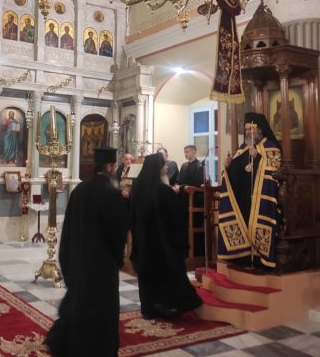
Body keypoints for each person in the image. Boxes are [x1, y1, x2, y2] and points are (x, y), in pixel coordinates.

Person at [45, 147, 128, 357]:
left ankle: (73, 344)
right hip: (102, 264)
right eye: (114, 165)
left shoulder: (79, 190)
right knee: (101, 307)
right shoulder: (112, 194)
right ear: (110, 166)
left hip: (78, 260)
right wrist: (117, 260)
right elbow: (117, 233)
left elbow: (68, 228)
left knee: (79, 302)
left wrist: (66, 258)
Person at [130, 153, 202, 319]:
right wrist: (180, 195)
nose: (166, 168)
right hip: (162, 244)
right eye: (163, 166)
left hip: (143, 242)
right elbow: (177, 216)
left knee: (147, 277)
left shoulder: (137, 188)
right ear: (157, 168)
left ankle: (148, 309)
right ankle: (167, 306)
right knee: (164, 275)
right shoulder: (163, 191)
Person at [218, 112, 282, 269]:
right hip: (244, 199)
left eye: (250, 129)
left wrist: (258, 158)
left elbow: (275, 171)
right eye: (246, 129)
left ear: (260, 129)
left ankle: (260, 259)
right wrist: (229, 166)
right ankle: (243, 256)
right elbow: (236, 171)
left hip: (261, 200)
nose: (247, 132)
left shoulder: (271, 147)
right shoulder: (243, 149)